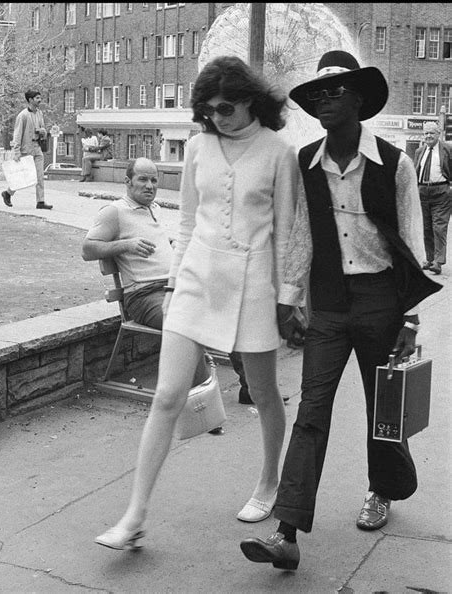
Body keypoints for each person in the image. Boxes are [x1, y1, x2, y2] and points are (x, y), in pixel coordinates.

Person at [240, 50, 442, 571]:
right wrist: (289, 301)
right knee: (312, 412)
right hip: (329, 303)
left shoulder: (394, 163)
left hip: (381, 301)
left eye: (336, 91)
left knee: (384, 410)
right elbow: (302, 233)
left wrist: (410, 318)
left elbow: (412, 238)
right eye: (318, 94)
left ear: (359, 101)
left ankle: (386, 488)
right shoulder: (306, 161)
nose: (325, 100)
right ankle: (286, 532)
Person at [93, 55, 298, 551]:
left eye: (225, 107)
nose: (217, 117)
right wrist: (174, 283)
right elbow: (185, 223)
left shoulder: (278, 152)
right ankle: (134, 514)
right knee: (167, 396)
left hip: (253, 285)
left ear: (250, 99)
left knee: (264, 392)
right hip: (194, 282)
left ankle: (270, 480)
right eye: (207, 110)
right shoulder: (199, 148)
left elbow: (287, 233)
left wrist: (288, 297)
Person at [81, 156, 250, 401]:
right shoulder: (114, 211)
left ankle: (252, 388)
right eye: (143, 179)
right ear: (127, 182)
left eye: (154, 180)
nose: (150, 186)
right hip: (144, 295)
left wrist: (170, 244)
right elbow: (87, 249)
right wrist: (127, 244)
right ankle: (203, 403)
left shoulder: (155, 208)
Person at [1, 90, 53, 210]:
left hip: (37, 147)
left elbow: (43, 128)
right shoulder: (22, 115)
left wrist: (43, 132)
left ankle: (40, 201)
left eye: (40, 97)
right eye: (37, 98)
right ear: (30, 100)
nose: (40, 100)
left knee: (39, 175)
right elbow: (17, 134)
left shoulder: (39, 113)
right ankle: (8, 193)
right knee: (23, 176)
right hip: (26, 149)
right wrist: (16, 151)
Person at [413, 121, 452, 275]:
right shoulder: (419, 151)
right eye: (426, 133)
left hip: (441, 192)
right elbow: (415, 172)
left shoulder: (447, 149)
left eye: (432, 133)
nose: (428, 136)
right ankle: (429, 259)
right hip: (422, 192)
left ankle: (438, 261)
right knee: (426, 228)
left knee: (439, 227)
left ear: (438, 134)